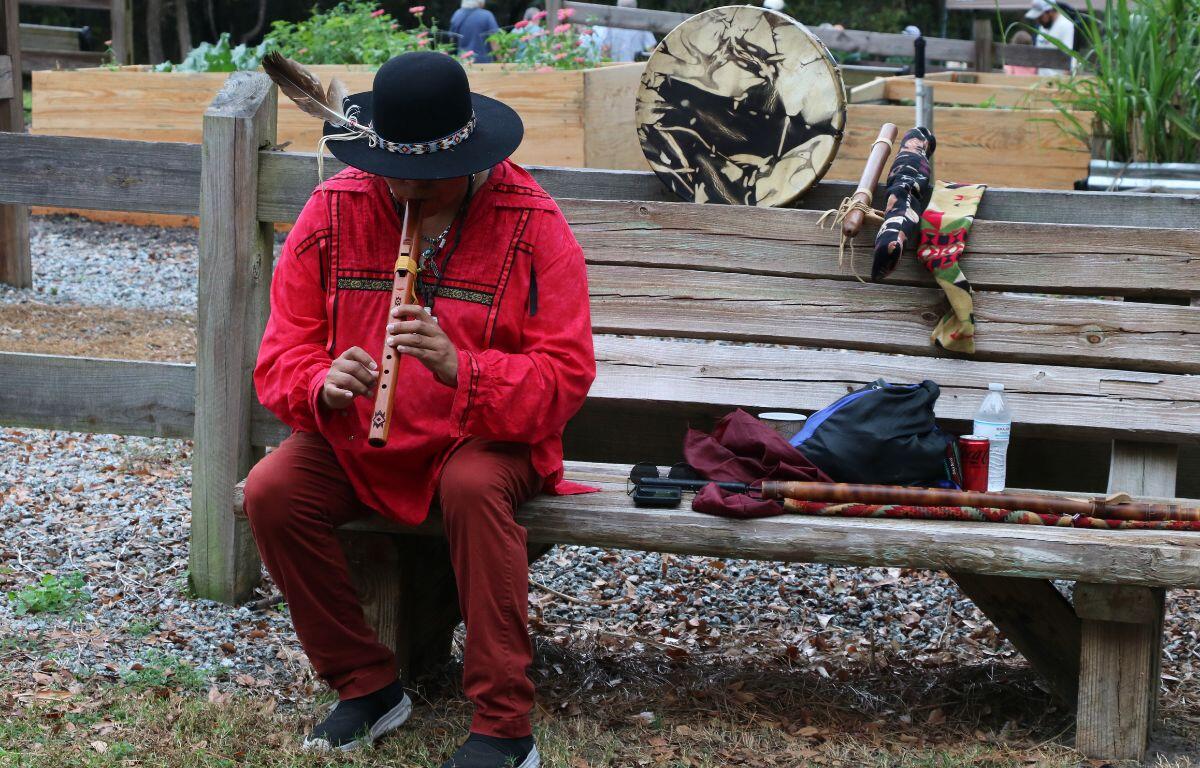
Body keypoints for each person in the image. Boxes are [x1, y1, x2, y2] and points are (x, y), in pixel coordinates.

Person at [245, 52, 595, 768]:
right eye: (390, 172)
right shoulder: (334, 207)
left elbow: (564, 377)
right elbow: (280, 358)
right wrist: (321, 381)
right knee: (271, 492)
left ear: (469, 158)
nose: (405, 190)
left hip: (482, 438)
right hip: (363, 439)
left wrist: (459, 369)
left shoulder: (532, 223)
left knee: (470, 488)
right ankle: (367, 685)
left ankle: (504, 729)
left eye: (425, 178)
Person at [592, 0, 656, 62]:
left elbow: (651, 49)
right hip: (620, 66)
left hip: (631, 66)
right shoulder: (612, 24)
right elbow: (605, 49)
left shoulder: (642, 24)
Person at [1025, 0, 1075, 75]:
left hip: (1057, 82)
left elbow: (1068, 60)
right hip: (1040, 81)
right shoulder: (1043, 26)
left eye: (1040, 16)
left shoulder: (1065, 25)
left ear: (1050, 11)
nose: (1038, 20)